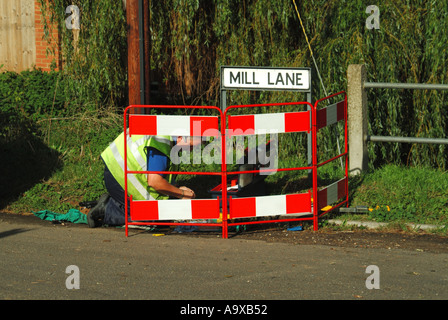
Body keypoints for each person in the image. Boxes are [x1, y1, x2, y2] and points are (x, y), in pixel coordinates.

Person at [87, 132, 199, 228]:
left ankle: (115, 202)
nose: (190, 151)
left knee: (161, 212)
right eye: (190, 146)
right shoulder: (162, 143)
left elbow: (161, 177)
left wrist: (177, 190)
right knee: (157, 219)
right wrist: (182, 194)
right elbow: (155, 182)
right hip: (119, 176)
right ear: (180, 137)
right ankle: (107, 208)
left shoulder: (165, 136)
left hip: (117, 169)